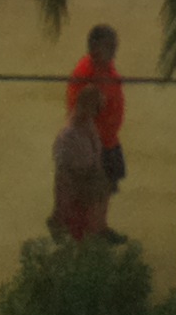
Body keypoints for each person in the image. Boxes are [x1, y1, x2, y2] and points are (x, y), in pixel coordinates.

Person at [49, 78, 111, 244]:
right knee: (75, 229)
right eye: (96, 108)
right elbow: (63, 170)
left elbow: (95, 154)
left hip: (90, 185)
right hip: (74, 186)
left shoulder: (89, 126)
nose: (97, 113)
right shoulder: (68, 135)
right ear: (86, 105)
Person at [67, 24, 125, 198]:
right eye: (110, 47)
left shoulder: (106, 66)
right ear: (94, 49)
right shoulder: (86, 74)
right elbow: (80, 113)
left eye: (114, 47)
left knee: (107, 191)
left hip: (109, 141)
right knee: (93, 195)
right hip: (94, 146)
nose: (114, 52)